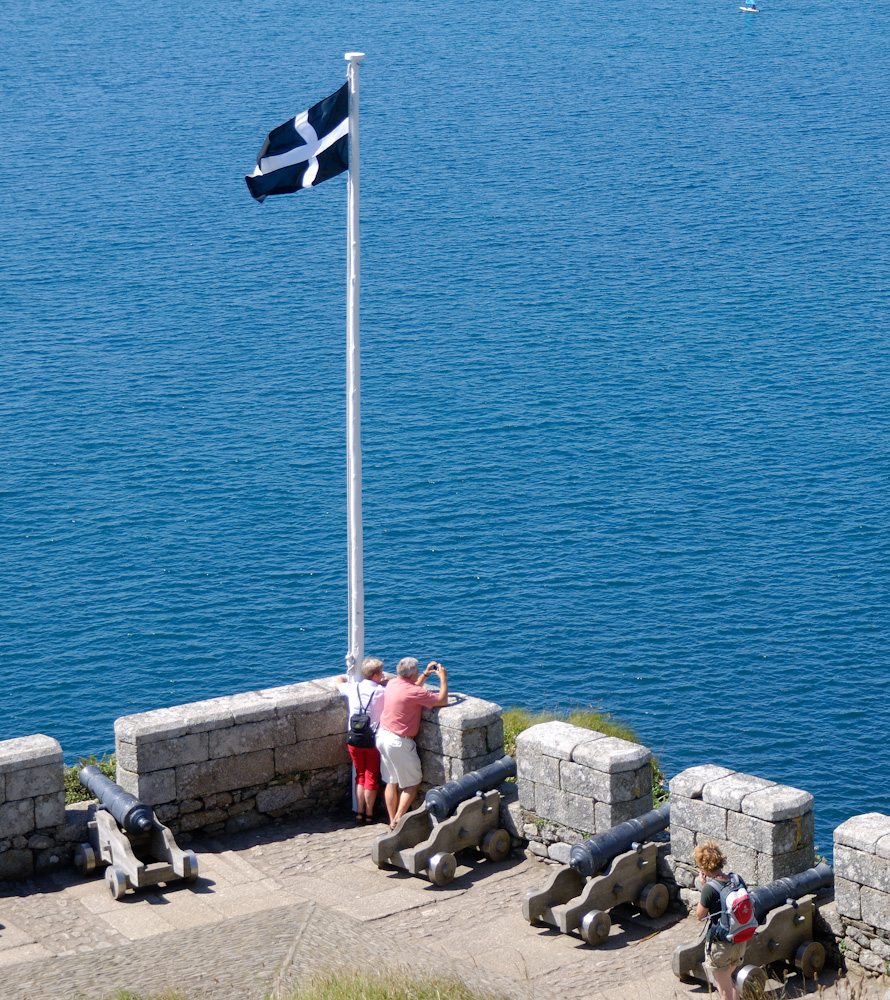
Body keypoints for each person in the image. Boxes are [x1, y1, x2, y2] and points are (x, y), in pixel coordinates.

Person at [376, 657, 448, 828]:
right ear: (412, 673)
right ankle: (397, 821)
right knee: (412, 783)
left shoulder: (393, 683)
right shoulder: (414, 692)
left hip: (382, 736)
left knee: (391, 781)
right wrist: (443, 678)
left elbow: (413, 687)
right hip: (399, 742)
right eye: (417, 669)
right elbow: (442, 700)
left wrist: (425, 674)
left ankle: (391, 818)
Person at [334, 657, 386, 825]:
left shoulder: (353, 688)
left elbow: (337, 684)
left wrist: (343, 678)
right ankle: (370, 813)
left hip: (354, 739)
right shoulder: (380, 692)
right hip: (371, 740)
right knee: (371, 776)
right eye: (381, 673)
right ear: (376, 674)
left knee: (360, 775)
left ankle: (359, 812)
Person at [693, 840, 747, 1000]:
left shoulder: (710, 889)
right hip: (740, 940)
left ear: (703, 867)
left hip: (721, 945)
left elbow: (700, 916)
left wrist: (704, 888)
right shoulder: (737, 879)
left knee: (724, 992)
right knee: (729, 985)